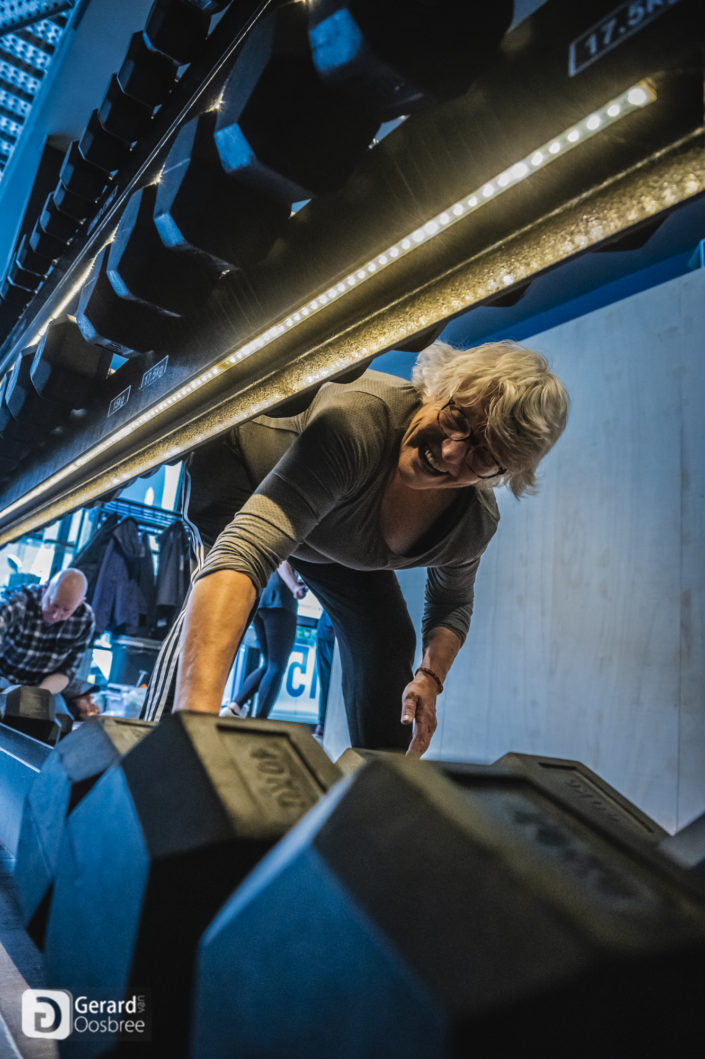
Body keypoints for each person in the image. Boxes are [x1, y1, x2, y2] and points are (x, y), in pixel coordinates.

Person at [144, 340, 569, 757]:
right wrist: (194, 735)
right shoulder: (359, 422)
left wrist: (429, 677)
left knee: (385, 637)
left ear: (501, 473)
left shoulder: (471, 524)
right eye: (456, 418)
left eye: (483, 456)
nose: (450, 451)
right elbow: (244, 552)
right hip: (241, 465)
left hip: (328, 532)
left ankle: (380, 784)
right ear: (439, 389)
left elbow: (451, 604)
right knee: (228, 597)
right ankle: (163, 747)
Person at [221, 561, 306, 720]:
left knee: (269, 664)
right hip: (280, 599)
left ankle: (235, 707)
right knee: (276, 667)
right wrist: (294, 586)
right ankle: (260, 720)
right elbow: (283, 561)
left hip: (261, 598)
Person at [0, 568, 95, 694]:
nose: (56, 615)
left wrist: (36, 696)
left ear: (80, 603)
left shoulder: (85, 619)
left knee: (63, 708)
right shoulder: (16, 603)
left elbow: (66, 672)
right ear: (45, 588)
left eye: (66, 610)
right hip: (3, 677)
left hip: (44, 686)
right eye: (54, 604)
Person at [313, 608, 335, 740]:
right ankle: (323, 724)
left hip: (327, 626)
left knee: (326, 682)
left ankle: (322, 724)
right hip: (334, 627)